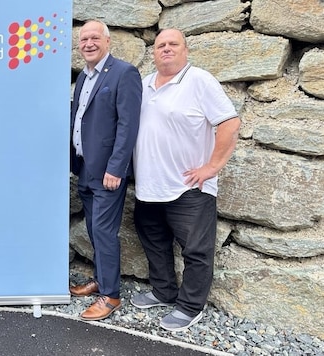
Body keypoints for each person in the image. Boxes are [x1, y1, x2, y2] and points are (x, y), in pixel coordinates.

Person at [130, 28, 241, 332]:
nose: (165, 48)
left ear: (185, 50)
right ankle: (163, 291)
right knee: (154, 242)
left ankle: (191, 307)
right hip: (149, 186)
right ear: (153, 52)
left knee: (196, 250)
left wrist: (212, 166)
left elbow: (230, 123)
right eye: (160, 45)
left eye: (172, 44)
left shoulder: (199, 81)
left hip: (188, 187)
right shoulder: (143, 85)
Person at [69, 20, 142, 321]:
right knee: (92, 229)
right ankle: (100, 278)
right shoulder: (85, 77)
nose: (88, 43)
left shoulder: (124, 73)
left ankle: (110, 295)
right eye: (84, 39)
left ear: (108, 42)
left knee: (103, 231)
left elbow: (128, 125)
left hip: (107, 172)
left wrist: (117, 167)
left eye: (94, 38)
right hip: (85, 167)